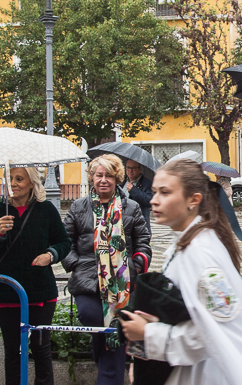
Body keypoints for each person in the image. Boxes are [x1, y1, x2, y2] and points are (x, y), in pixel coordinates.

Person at [120, 158, 242, 385]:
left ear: (193, 200)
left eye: (165, 193)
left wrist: (148, 335)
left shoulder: (200, 252)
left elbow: (209, 333)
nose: (154, 200)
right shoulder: (185, 244)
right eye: (155, 191)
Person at [62, 155, 151, 385]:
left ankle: (108, 376)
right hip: (87, 280)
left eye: (109, 175)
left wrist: (136, 264)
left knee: (114, 334)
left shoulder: (130, 207)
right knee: (92, 318)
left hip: (120, 285)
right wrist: (74, 264)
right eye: (99, 175)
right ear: (92, 177)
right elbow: (65, 242)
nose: (103, 180)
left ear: (117, 178)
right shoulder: (78, 207)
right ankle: (102, 348)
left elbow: (142, 241)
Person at [0, 166, 70, 385]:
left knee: (41, 349)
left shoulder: (45, 209)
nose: (14, 183)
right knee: (13, 351)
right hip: (7, 292)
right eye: (10, 179)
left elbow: (65, 242)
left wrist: (51, 255)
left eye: (19, 179)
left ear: (32, 183)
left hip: (40, 291)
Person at [123, 159, 154, 229]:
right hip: (123, 224)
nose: (130, 171)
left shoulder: (146, 183)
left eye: (133, 168)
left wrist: (134, 190)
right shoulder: (122, 182)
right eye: (128, 167)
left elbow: (150, 201)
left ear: (139, 169)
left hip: (139, 225)